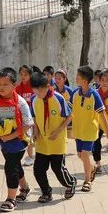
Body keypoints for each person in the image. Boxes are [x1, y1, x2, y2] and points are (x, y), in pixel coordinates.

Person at [0, 68, 33, 211]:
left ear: (14, 85)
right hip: (4, 140)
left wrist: (10, 134)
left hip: (20, 139)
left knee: (10, 167)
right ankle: (24, 188)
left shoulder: (20, 103)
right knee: (15, 165)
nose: (1, 87)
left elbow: (27, 124)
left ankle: (11, 199)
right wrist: (0, 125)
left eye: (5, 84)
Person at [28, 71, 76, 201]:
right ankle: (46, 192)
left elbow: (69, 116)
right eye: (36, 91)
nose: (39, 94)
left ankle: (70, 183)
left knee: (57, 169)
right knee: (38, 169)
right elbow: (34, 117)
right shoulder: (34, 99)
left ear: (48, 86)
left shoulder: (58, 98)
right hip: (42, 141)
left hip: (57, 140)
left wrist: (57, 131)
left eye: (41, 91)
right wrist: (35, 132)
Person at [71, 66, 106, 191]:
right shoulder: (75, 93)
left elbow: (102, 114)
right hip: (78, 130)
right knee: (80, 155)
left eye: (78, 77)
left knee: (85, 155)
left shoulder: (94, 94)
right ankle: (92, 168)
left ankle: (87, 181)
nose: (76, 78)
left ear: (85, 81)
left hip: (90, 130)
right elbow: (69, 112)